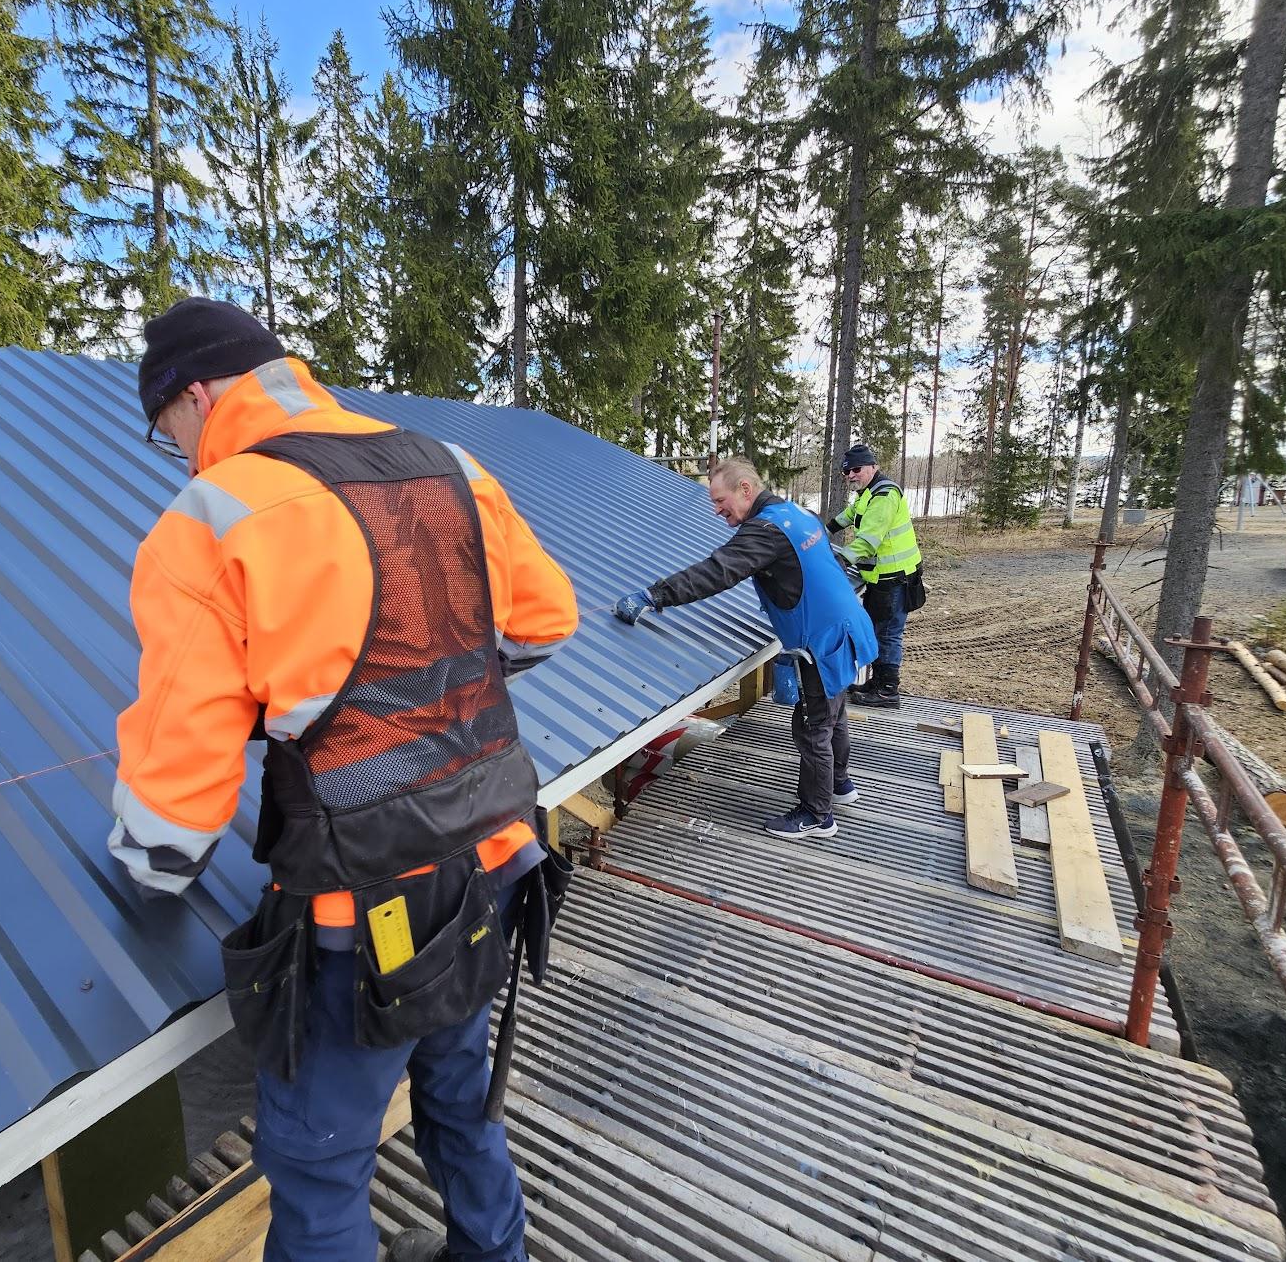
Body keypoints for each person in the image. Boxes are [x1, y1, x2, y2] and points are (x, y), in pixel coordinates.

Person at [109, 298, 579, 1262]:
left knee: (320, 1165)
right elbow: (543, 622)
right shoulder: (452, 465)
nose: (180, 454)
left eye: (169, 432)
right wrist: (429, 691)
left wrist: (148, 869)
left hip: (364, 915)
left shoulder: (216, 513)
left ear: (196, 396)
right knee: (461, 1099)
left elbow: (169, 822)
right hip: (494, 856)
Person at [612, 457, 878, 841]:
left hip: (821, 641)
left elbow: (717, 571)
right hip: (844, 629)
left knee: (812, 727)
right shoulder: (796, 514)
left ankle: (817, 815)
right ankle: (839, 785)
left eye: (720, 500)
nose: (717, 510)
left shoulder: (765, 531)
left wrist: (654, 596)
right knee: (832, 715)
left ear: (745, 490)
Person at [826, 444, 922, 708]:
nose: (851, 475)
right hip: (882, 578)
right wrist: (825, 528)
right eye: (847, 472)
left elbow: (868, 542)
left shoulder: (884, 496)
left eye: (856, 469)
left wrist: (841, 560)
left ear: (872, 467)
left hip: (895, 578)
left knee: (888, 633)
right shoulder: (868, 493)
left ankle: (888, 691)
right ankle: (878, 683)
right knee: (878, 629)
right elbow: (851, 515)